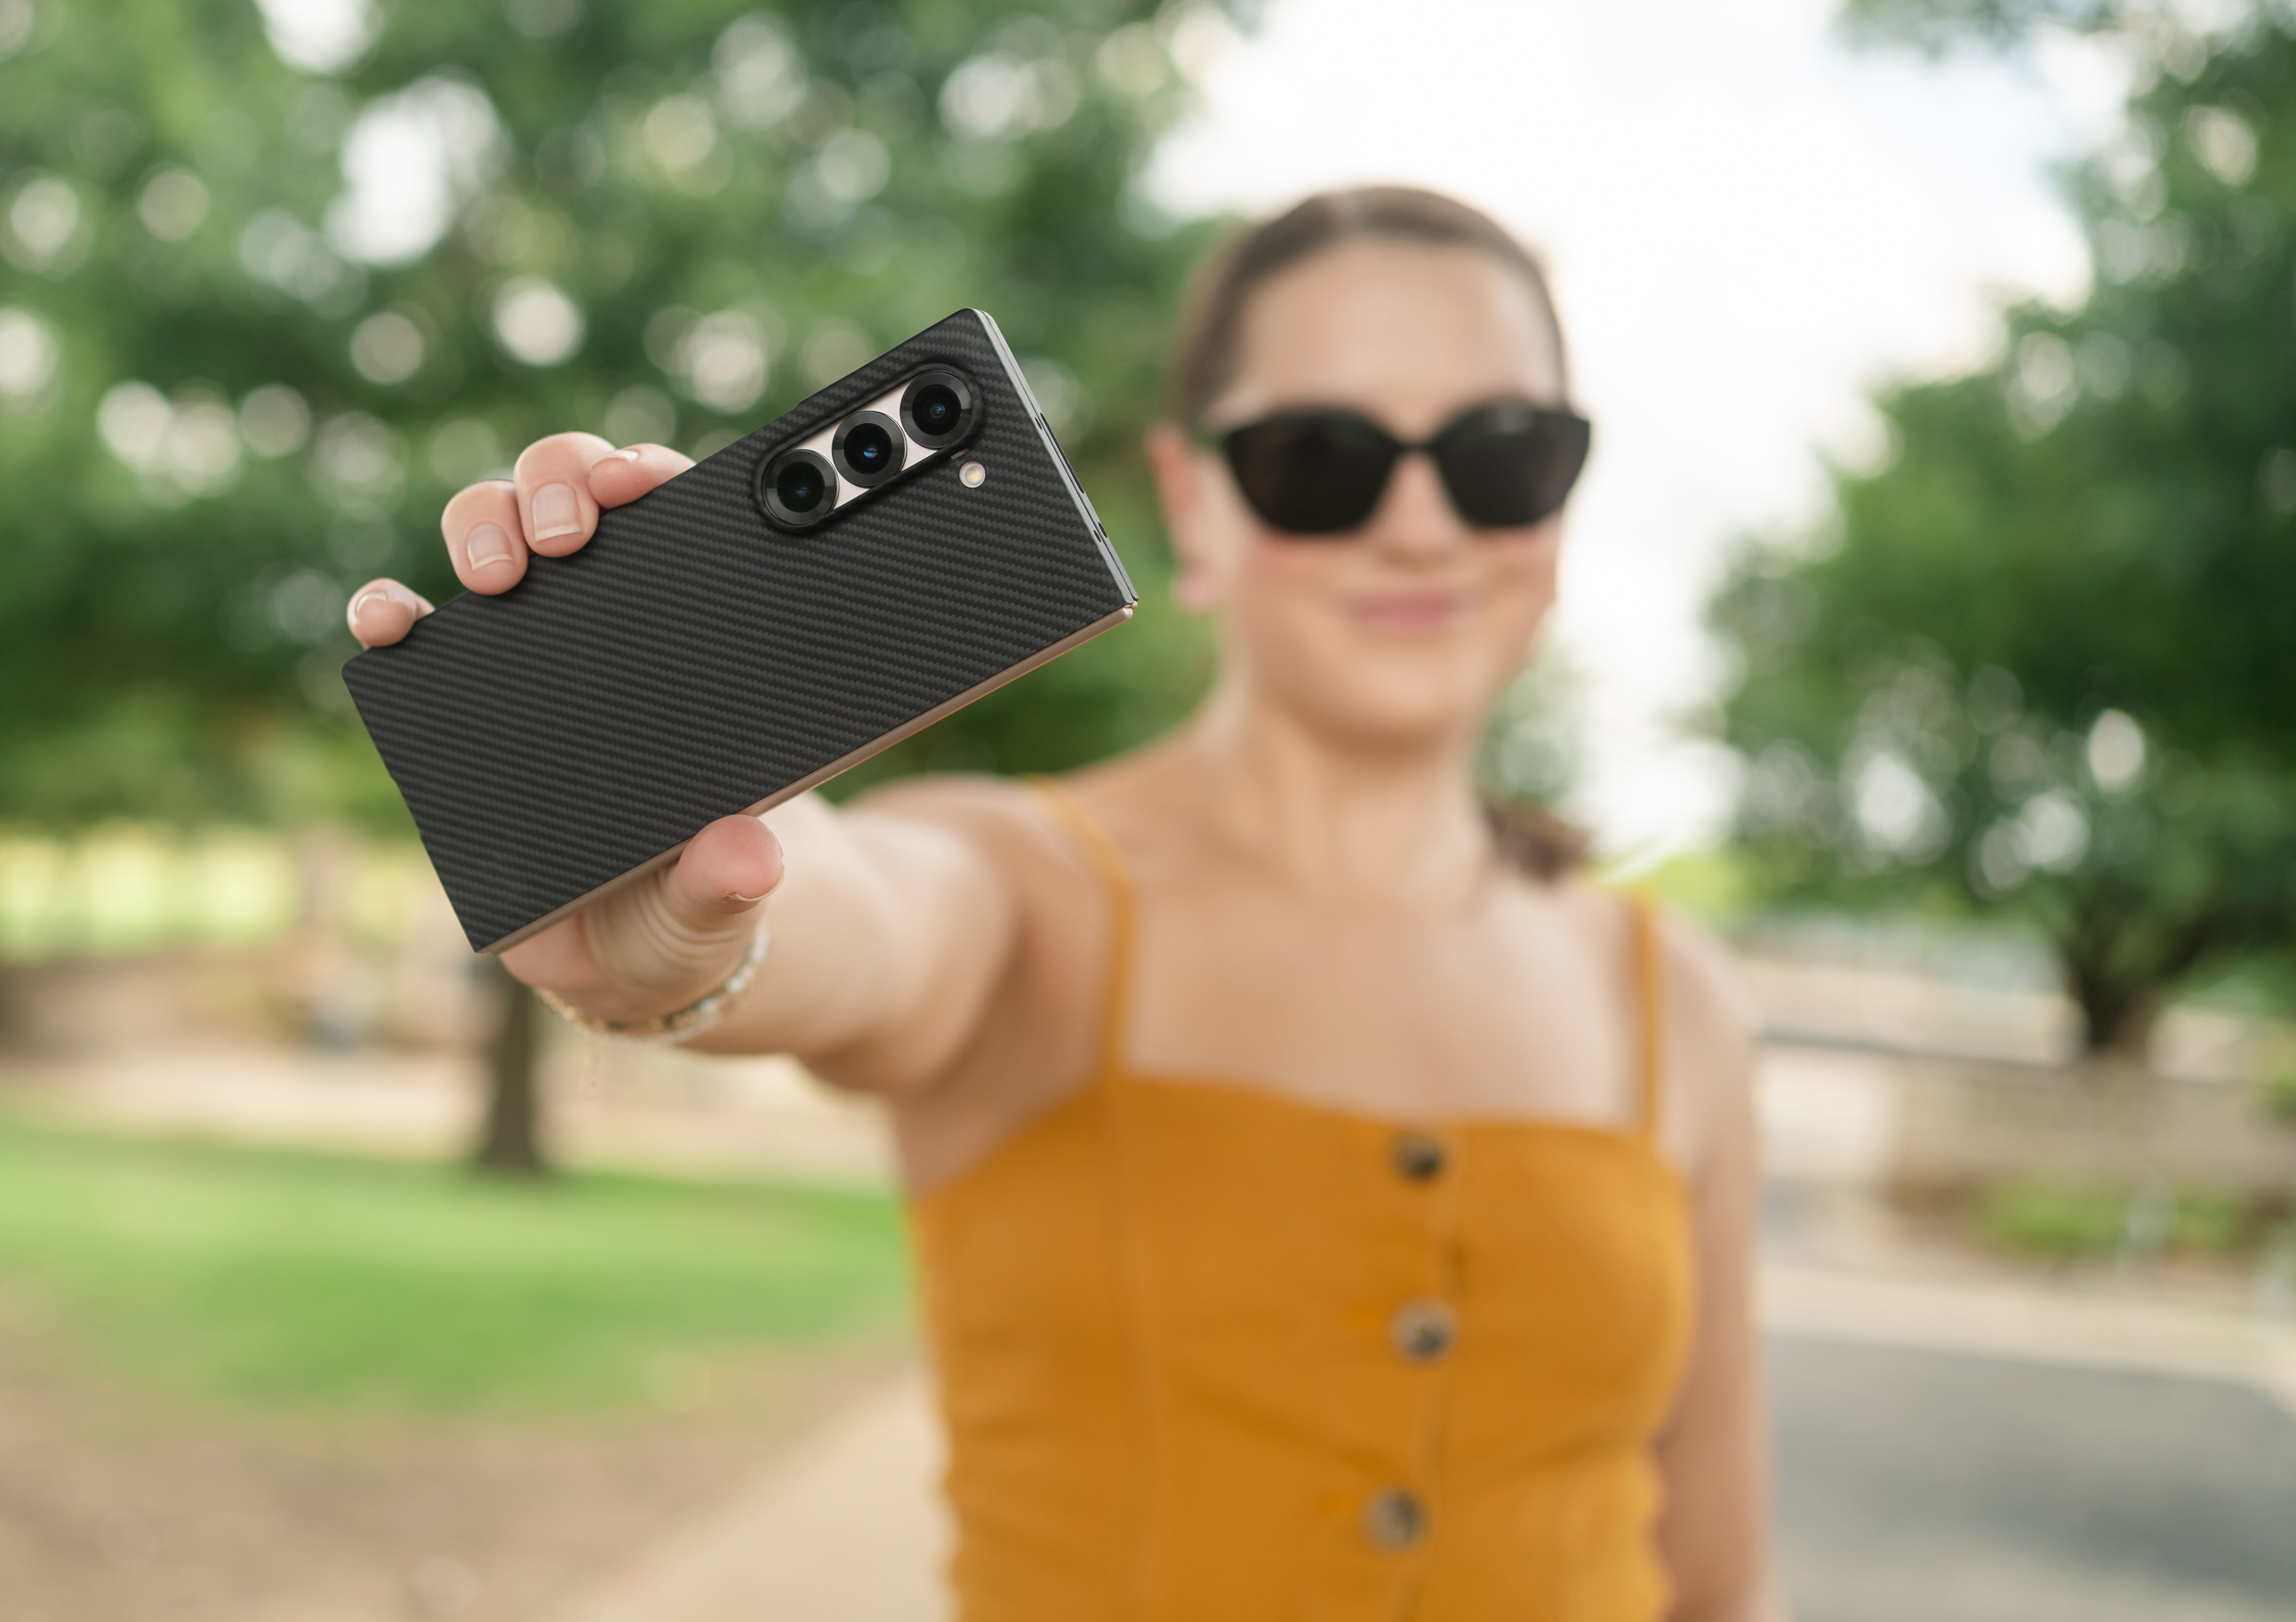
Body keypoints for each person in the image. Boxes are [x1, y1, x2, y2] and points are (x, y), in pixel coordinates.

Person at [347, 186, 1778, 1621]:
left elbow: (1716, 1584)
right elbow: (871, 916)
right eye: (1320, 457)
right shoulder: (1031, 891)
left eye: (1504, 452)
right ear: (1193, 500)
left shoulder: (1676, 999)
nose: (1420, 523)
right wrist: (678, 943)